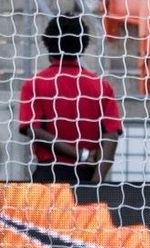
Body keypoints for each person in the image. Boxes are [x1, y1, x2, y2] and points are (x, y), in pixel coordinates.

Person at [19, 13, 122, 185]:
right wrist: (96, 182)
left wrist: (81, 154)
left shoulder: (35, 84)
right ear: (83, 46)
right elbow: (111, 136)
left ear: (47, 44)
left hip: (49, 176)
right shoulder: (101, 86)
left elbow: (33, 130)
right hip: (86, 176)